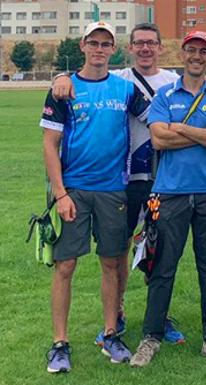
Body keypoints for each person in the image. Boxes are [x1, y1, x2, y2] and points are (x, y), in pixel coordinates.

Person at [51, 23, 185, 346]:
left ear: (160, 47)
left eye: (151, 43)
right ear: (128, 48)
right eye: (139, 43)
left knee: (159, 250)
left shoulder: (172, 81)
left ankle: (158, 317)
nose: (145, 49)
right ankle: (118, 314)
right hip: (124, 182)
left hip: (162, 178)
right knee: (119, 251)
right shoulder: (121, 79)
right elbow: (82, 82)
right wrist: (60, 76)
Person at [40, 21, 150, 372]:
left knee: (111, 263)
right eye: (94, 43)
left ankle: (110, 334)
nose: (99, 49)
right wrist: (60, 194)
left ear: (112, 49)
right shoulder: (64, 88)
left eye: (105, 44)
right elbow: (49, 144)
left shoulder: (125, 89)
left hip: (113, 190)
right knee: (66, 265)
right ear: (83, 46)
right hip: (73, 191)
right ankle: (60, 344)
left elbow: (158, 119)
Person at [129, 30, 206, 367]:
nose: (196, 56)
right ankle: (151, 337)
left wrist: (181, 128)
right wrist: (204, 134)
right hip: (170, 193)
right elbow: (159, 140)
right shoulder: (165, 94)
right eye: (190, 50)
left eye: (202, 51)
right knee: (162, 268)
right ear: (183, 53)